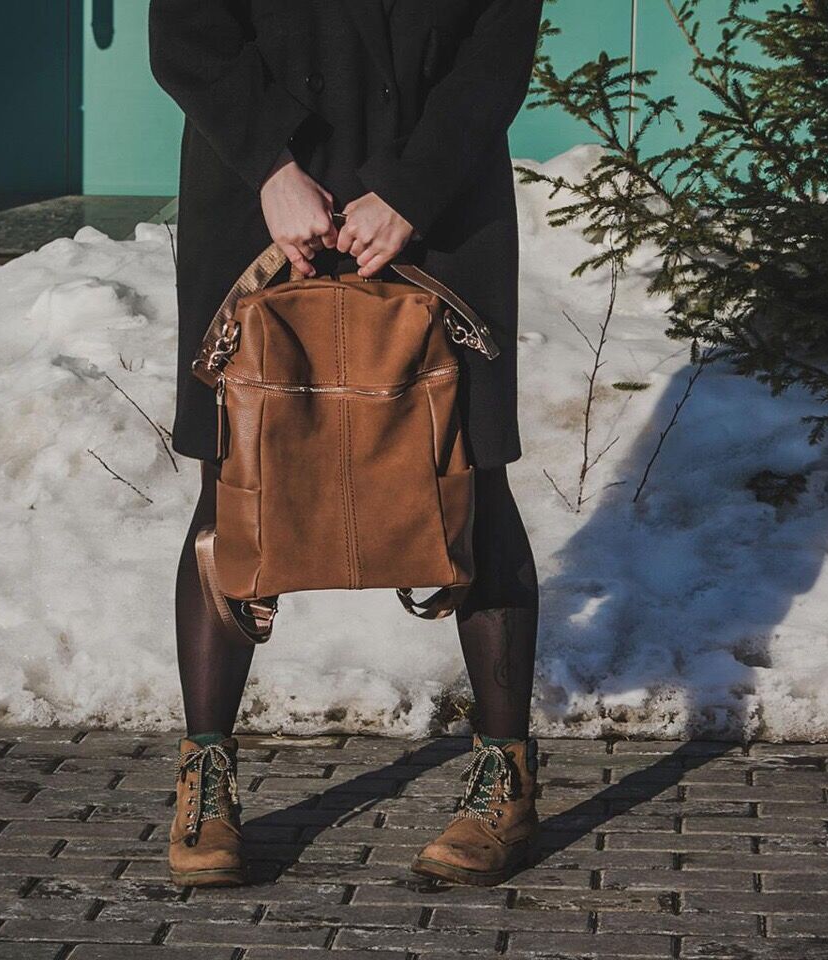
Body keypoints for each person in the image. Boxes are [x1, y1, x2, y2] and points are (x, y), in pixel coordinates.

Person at [149, 0, 545, 888]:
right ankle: (205, 782)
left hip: (441, 198)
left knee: (475, 477)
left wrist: (412, 187)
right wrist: (271, 163)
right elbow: (184, 29)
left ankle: (506, 787)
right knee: (233, 483)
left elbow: (499, 40)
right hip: (258, 191)